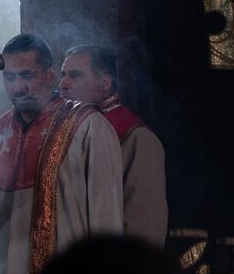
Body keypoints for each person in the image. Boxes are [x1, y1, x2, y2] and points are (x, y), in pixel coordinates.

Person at [0, 33, 124, 274]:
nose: (18, 86)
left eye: (27, 75)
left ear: (50, 74)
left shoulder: (89, 127)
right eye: (10, 78)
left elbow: (107, 218)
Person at [59, 44, 168, 246]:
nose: (63, 84)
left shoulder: (137, 139)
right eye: (62, 75)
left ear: (105, 83)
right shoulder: (61, 131)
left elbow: (144, 228)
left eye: (75, 75)